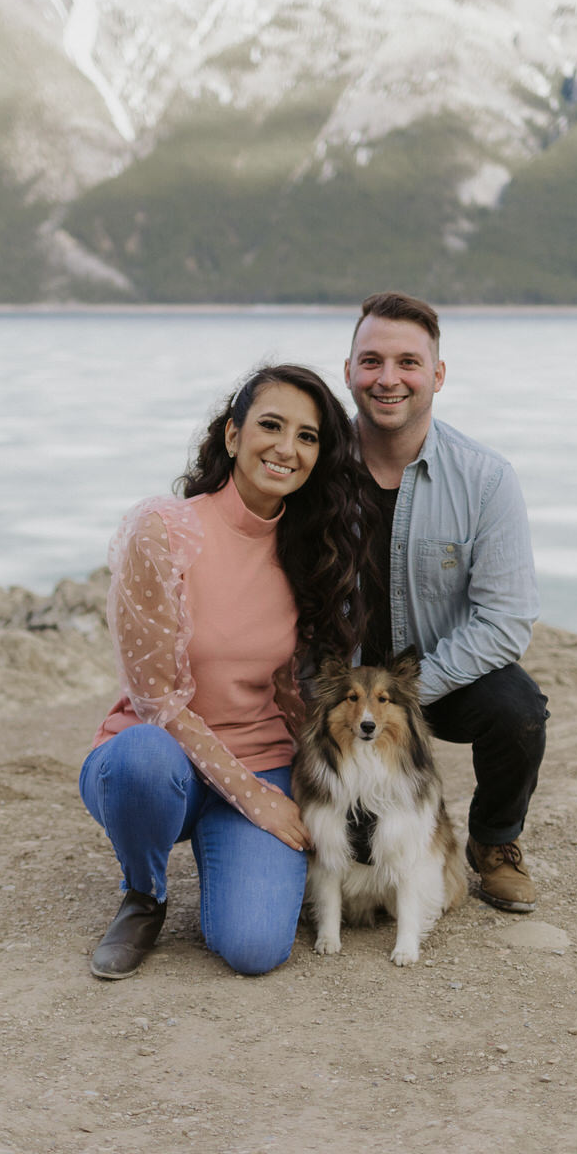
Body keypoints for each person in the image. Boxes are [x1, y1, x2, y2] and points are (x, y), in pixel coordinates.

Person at [80, 364, 364, 979]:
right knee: (142, 759)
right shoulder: (163, 530)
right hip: (161, 760)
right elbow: (156, 701)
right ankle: (144, 893)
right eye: (271, 425)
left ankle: (226, 869)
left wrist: (317, 785)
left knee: (256, 949)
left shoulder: (310, 548)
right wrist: (258, 801)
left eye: (308, 436)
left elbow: (289, 691)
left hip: (259, 757)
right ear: (232, 437)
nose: (288, 448)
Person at [346, 291, 547, 913]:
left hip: (436, 676)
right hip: (336, 680)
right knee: (349, 860)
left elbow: (506, 619)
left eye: (408, 362)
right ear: (349, 370)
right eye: (372, 360)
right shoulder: (312, 467)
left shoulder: (485, 479)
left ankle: (494, 841)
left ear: (436, 375)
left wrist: (408, 693)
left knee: (518, 709)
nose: (388, 379)